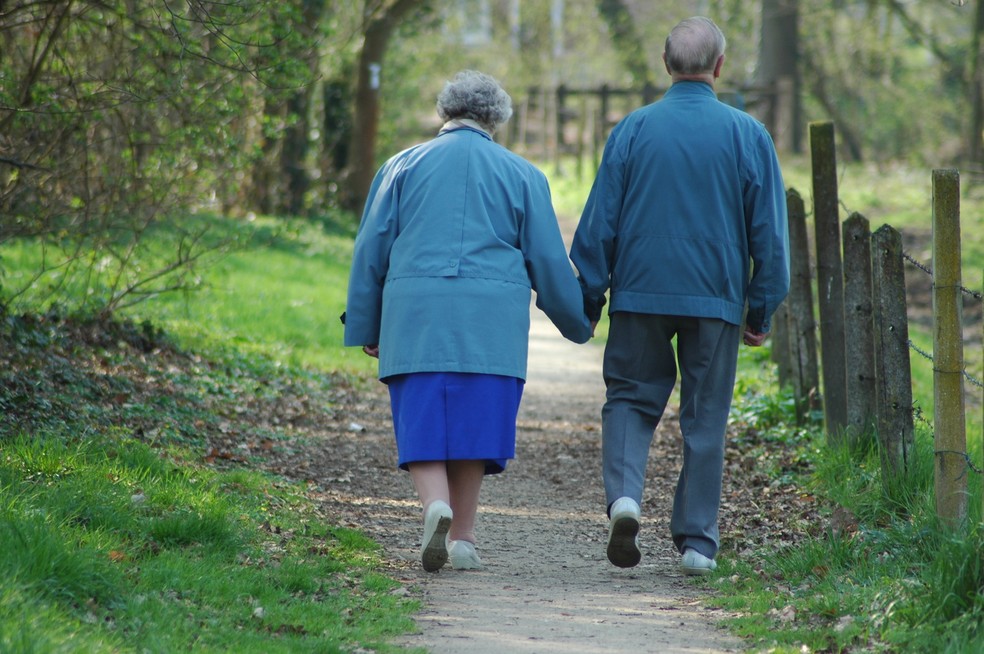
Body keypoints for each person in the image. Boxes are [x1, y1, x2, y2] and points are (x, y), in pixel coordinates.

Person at [343, 70, 592, 573]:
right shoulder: (524, 175)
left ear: (445, 112)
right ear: (496, 119)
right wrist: (578, 319)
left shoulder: (400, 166)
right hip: (490, 322)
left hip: (415, 314)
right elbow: (547, 259)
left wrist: (368, 324)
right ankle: (463, 538)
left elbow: (371, 250)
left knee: (423, 419)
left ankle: (434, 506)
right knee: (476, 427)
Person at [570, 17, 790, 576]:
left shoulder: (632, 130)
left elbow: (599, 224)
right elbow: (769, 234)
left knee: (629, 397)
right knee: (706, 416)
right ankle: (697, 544)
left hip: (640, 291)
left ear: (666, 65)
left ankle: (624, 497)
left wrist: (589, 297)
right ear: (719, 67)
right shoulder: (748, 135)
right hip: (716, 296)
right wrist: (760, 308)